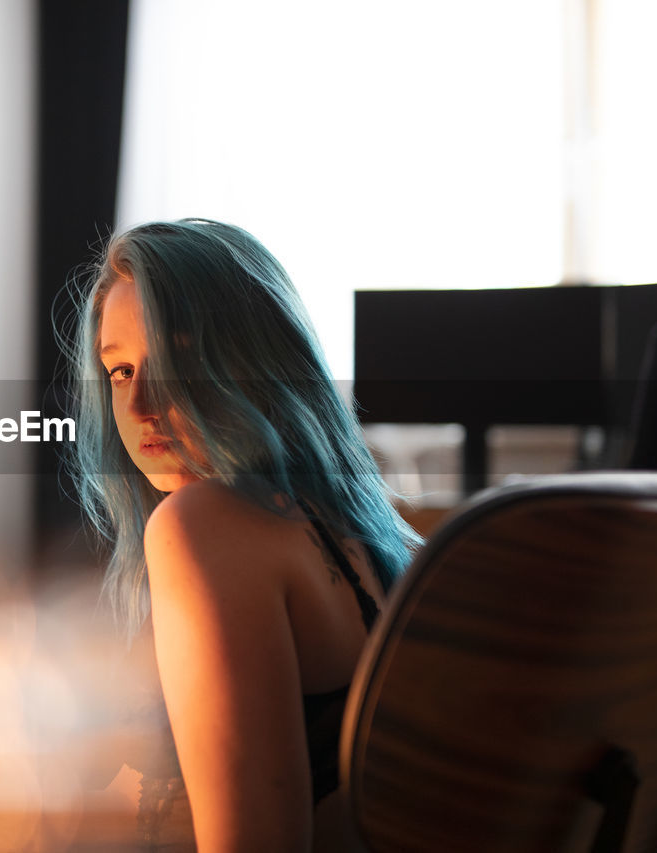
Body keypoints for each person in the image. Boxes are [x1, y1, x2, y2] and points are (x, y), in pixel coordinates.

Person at [62, 219, 420, 852]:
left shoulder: (200, 526)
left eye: (177, 362)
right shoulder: (346, 532)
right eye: (120, 372)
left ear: (254, 365)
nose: (141, 404)